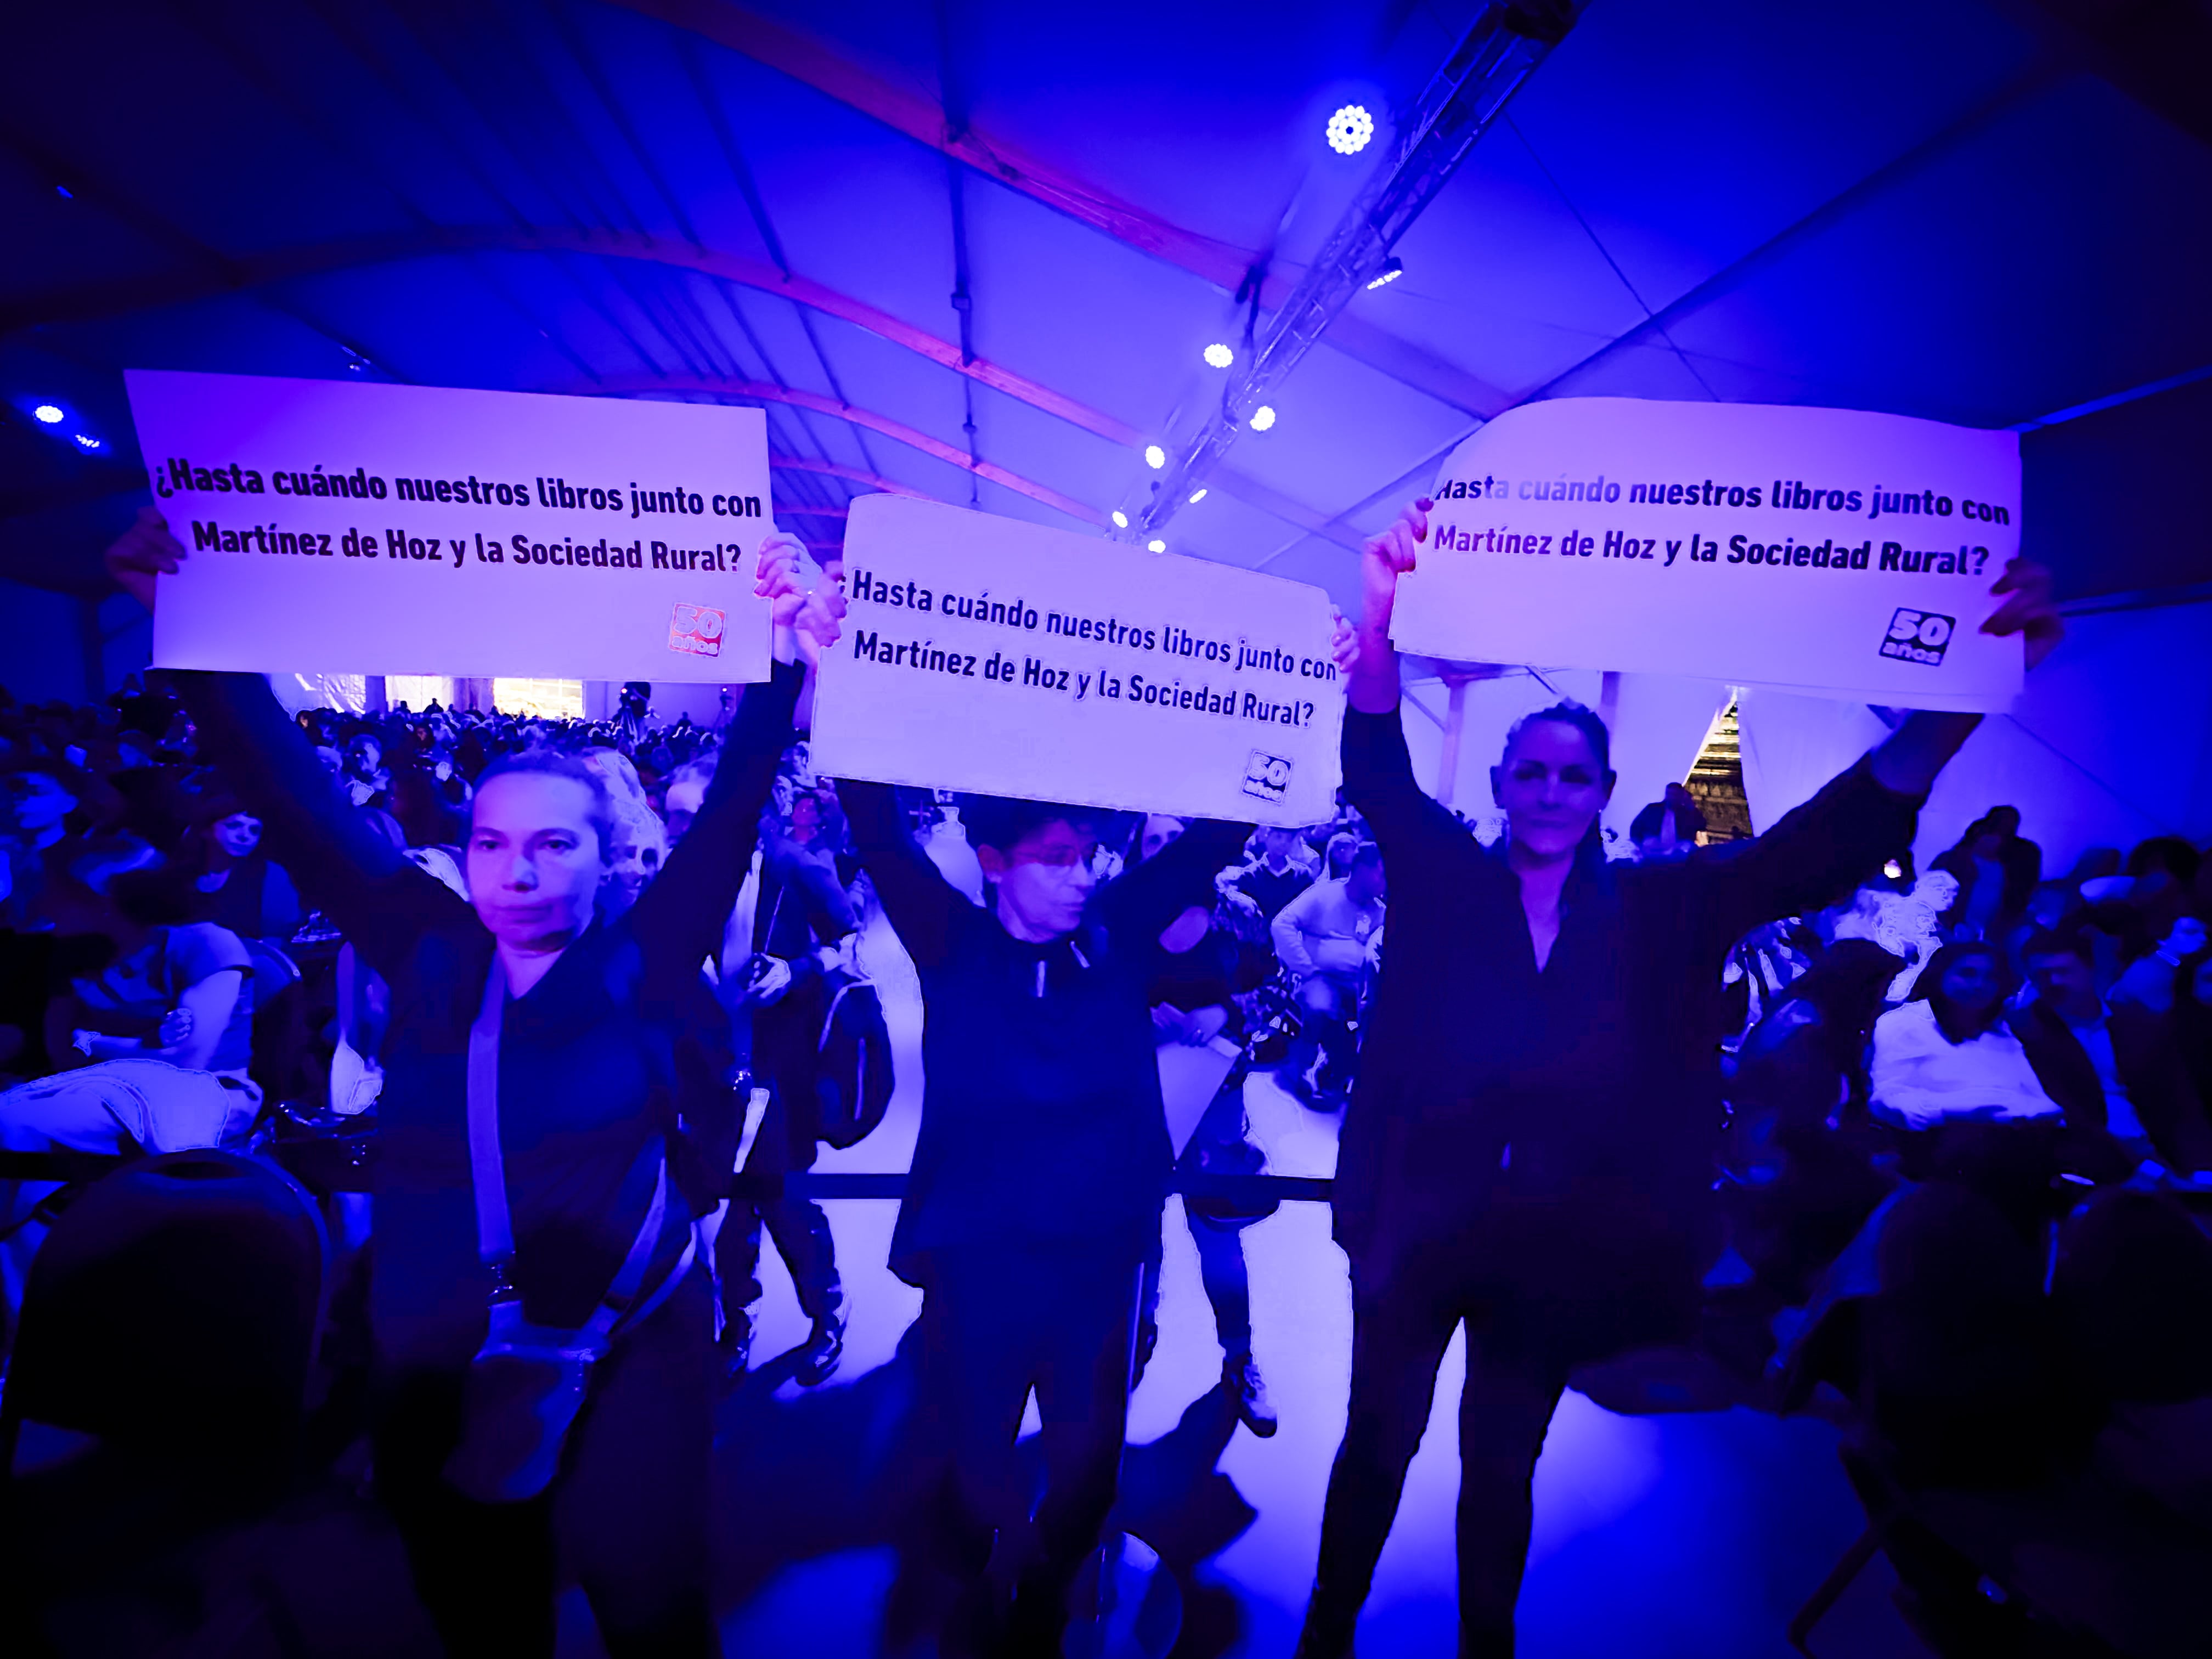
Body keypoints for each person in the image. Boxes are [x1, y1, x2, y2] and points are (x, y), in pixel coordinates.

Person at [1297, 495, 2064, 1659]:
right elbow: (1381, 780)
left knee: (1501, 1470)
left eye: (1574, 778)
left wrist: (1960, 706)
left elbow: (1818, 848)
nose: (1551, 793)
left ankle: (1485, 1649)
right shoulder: (1446, 881)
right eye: (1532, 774)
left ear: (1603, 797)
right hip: (1412, 1229)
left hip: (1553, 1251)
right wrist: (1381, 623)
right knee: (1375, 1447)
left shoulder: (1672, 907)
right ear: (1504, 785)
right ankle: (1325, 1634)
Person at [103, 505, 840, 1659]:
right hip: (436, 1361)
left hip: (632, 1341)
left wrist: (784, 655)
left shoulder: (641, 963)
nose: (516, 873)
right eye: (491, 844)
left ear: (610, 860)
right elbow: (295, 796)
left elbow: (740, 804)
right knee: (482, 1618)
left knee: (653, 1606)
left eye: (555, 845)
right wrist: (184, 624)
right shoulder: (429, 952)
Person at [841, 773, 1248, 1657]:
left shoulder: (1119, 935)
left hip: (1096, 1277)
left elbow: (1214, 837)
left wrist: (1294, 711)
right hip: (978, 1273)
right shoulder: (951, 943)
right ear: (994, 865)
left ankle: (1042, 1598)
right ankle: (973, 1586)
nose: (1082, 876)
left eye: (1089, 857)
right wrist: (826, 703)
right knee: (973, 1461)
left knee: (1086, 1468)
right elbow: (878, 829)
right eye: (1057, 859)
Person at [1130, 812, 1278, 1438]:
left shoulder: (1239, 915)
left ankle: (1240, 1358)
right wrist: (1136, 1013)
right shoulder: (1117, 917)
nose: (1168, 852)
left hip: (1215, 1104)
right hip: (1132, 1100)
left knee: (1218, 1235)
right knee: (1137, 1237)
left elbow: (1277, 996)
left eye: (1176, 838)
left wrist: (1224, 1012)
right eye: (1154, 842)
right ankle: (1132, 1341)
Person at [715, 780, 861, 1385]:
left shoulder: (794, 867)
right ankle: (739, 1322)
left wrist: (795, 970)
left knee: (786, 1204)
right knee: (728, 1211)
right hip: (714, 1070)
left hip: (777, 1068)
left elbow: (851, 947)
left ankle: (829, 1310)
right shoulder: (692, 875)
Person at [2015, 928, 2212, 1176]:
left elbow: (2180, 1104)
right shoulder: (2025, 1032)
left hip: (2158, 1150)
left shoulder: (2139, 1023)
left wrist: (2203, 1170)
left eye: (2063, 971)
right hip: (2092, 1162)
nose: (2055, 982)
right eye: (2043, 975)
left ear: (2089, 968)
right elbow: (2071, 1117)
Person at [1270, 841, 1386, 1107]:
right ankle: (1296, 1068)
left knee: (1373, 1018)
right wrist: (1306, 969)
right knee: (1322, 1005)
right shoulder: (1324, 895)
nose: (1385, 881)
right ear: (1360, 869)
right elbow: (1282, 924)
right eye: (1381, 874)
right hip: (1316, 976)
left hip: (1359, 986)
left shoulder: (1380, 912)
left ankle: (1336, 1073)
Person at [1230, 822, 1319, 921]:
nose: (1283, 843)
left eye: (1289, 840)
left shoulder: (1303, 875)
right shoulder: (1250, 875)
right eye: (1278, 837)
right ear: (1267, 836)